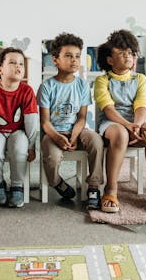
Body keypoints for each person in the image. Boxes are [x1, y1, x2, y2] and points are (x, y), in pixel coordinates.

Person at [94, 29, 146, 214]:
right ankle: (111, 190)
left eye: (130, 53)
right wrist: (127, 126)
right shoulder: (102, 80)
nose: (128, 56)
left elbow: (141, 106)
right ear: (110, 59)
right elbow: (108, 109)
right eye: (121, 53)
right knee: (119, 133)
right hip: (111, 124)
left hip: (135, 121)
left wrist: (136, 125)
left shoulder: (140, 79)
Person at [38, 33, 104, 209]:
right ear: (55, 60)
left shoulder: (82, 85)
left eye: (77, 56)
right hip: (53, 132)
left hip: (77, 130)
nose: (74, 60)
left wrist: (74, 137)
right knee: (52, 158)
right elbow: (44, 122)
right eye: (68, 56)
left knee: (96, 141)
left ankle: (94, 186)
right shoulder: (46, 87)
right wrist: (58, 138)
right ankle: (57, 182)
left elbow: (82, 118)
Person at [0, 47, 39, 208]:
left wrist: (31, 146)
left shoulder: (27, 91)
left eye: (21, 64)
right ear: (0, 69)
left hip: (19, 132)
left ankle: (17, 185)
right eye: (12, 62)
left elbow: (31, 122)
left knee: (19, 150)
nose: (18, 66)